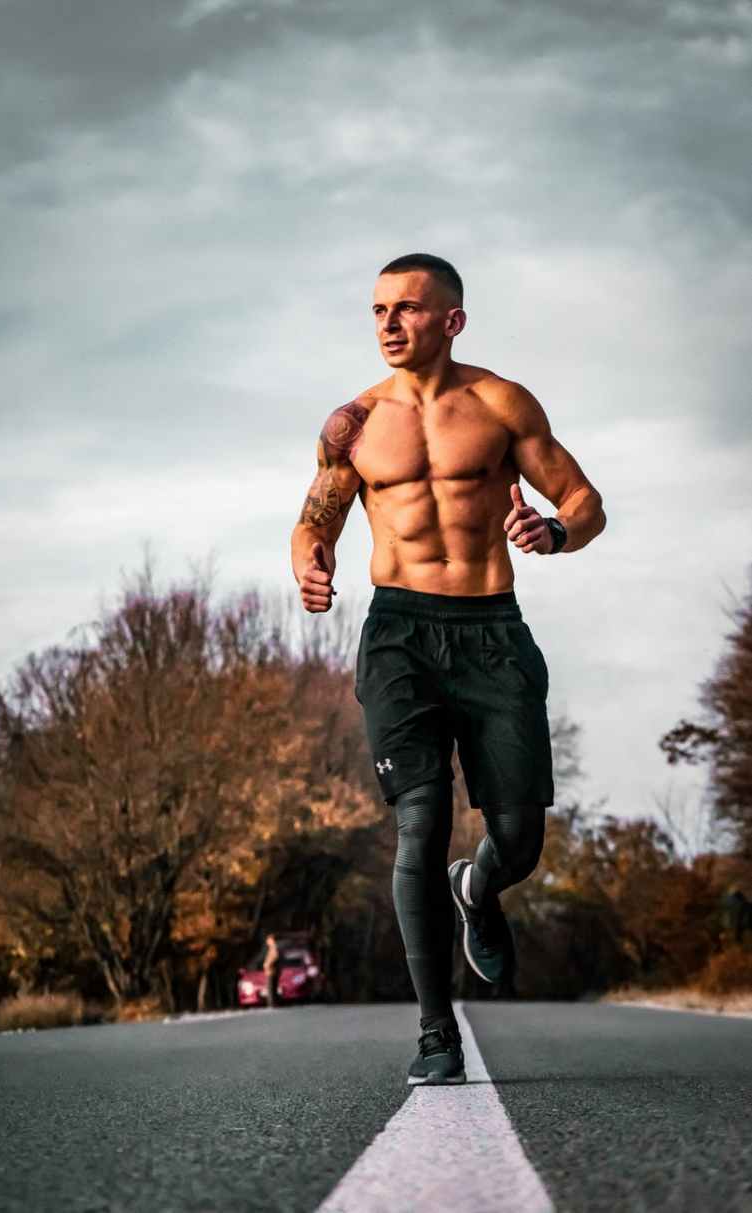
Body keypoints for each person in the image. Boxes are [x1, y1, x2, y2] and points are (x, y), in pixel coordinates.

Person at [290, 253, 606, 1085]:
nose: (388, 323)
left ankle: (481, 886)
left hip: (491, 631)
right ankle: (436, 1032)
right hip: (398, 633)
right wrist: (311, 562)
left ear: (451, 321)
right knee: (419, 822)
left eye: (406, 308)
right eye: (377, 310)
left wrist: (556, 531)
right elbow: (311, 518)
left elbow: (584, 500)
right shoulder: (351, 423)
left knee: (520, 838)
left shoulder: (501, 403)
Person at [263, 932, 281, 1009]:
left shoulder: (274, 947)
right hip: (272, 970)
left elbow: (275, 956)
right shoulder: (272, 947)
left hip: (272, 971)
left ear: (271, 940)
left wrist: (267, 964)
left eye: (268, 940)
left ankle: (271, 1004)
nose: (267, 942)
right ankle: (273, 1003)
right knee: (273, 987)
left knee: (271, 988)